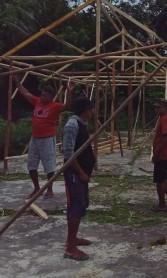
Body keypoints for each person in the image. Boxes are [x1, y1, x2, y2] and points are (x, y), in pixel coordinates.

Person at [13, 74, 75, 199]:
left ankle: (49, 189)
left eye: (45, 95)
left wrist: (69, 92)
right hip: (35, 138)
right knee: (31, 165)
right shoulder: (37, 101)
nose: (42, 97)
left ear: (51, 97)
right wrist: (17, 82)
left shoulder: (55, 106)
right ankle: (36, 187)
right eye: (41, 94)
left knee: (49, 166)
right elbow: (25, 93)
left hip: (47, 139)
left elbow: (67, 105)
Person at [62, 96, 96, 261]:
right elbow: (68, 153)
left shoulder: (82, 123)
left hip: (81, 174)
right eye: (91, 108)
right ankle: (70, 247)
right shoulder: (72, 125)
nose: (93, 111)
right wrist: (81, 172)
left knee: (80, 205)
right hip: (74, 174)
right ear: (85, 110)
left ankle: (73, 238)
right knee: (75, 206)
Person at [151, 98, 167, 212]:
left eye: (158, 107)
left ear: (165, 108)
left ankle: (162, 204)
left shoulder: (164, 119)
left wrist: (156, 153)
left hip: (162, 154)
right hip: (166, 153)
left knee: (159, 180)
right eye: (155, 107)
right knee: (164, 178)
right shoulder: (165, 118)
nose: (156, 109)